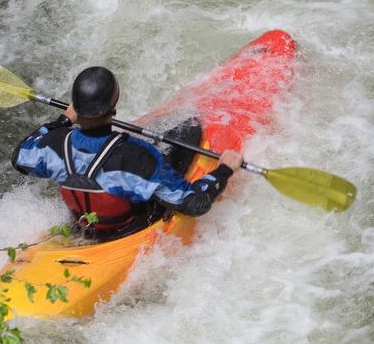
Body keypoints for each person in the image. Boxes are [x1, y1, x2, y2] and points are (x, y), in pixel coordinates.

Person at [13, 64, 243, 238]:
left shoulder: (53, 144)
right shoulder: (137, 156)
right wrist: (224, 170)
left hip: (87, 228)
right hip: (129, 228)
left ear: (76, 108)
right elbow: (194, 204)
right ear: (113, 108)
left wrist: (62, 121)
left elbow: (20, 157)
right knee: (190, 129)